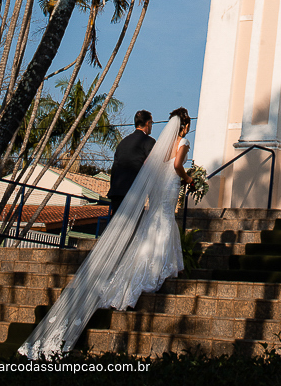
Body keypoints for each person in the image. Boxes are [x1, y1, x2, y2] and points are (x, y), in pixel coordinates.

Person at [19, 107, 195, 360]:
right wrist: (187, 179)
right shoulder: (169, 143)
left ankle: (127, 266)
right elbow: (170, 165)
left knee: (132, 231)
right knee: (153, 225)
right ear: (184, 126)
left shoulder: (138, 143)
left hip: (129, 190)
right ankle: (147, 269)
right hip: (154, 189)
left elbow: (149, 166)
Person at [108, 110, 155, 213]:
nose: (151, 126)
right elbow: (151, 165)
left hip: (117, 191)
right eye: (151, 123)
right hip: (134, 192)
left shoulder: (123, 143)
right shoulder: (148, 141)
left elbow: (114, 169)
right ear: (147, 123)